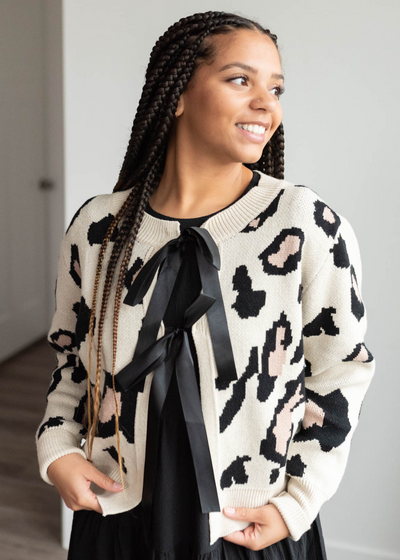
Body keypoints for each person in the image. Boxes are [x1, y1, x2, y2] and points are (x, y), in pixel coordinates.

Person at [36, 10, 375, 560]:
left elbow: (342, 371)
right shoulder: (100, 227)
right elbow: (72, 358)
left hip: (249, 527)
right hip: (116, 515)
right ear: (177, 95)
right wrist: (57, 451)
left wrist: (297, 502)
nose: (268, 104)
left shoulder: (304, 224)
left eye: (277, 87)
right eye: (241, 80)